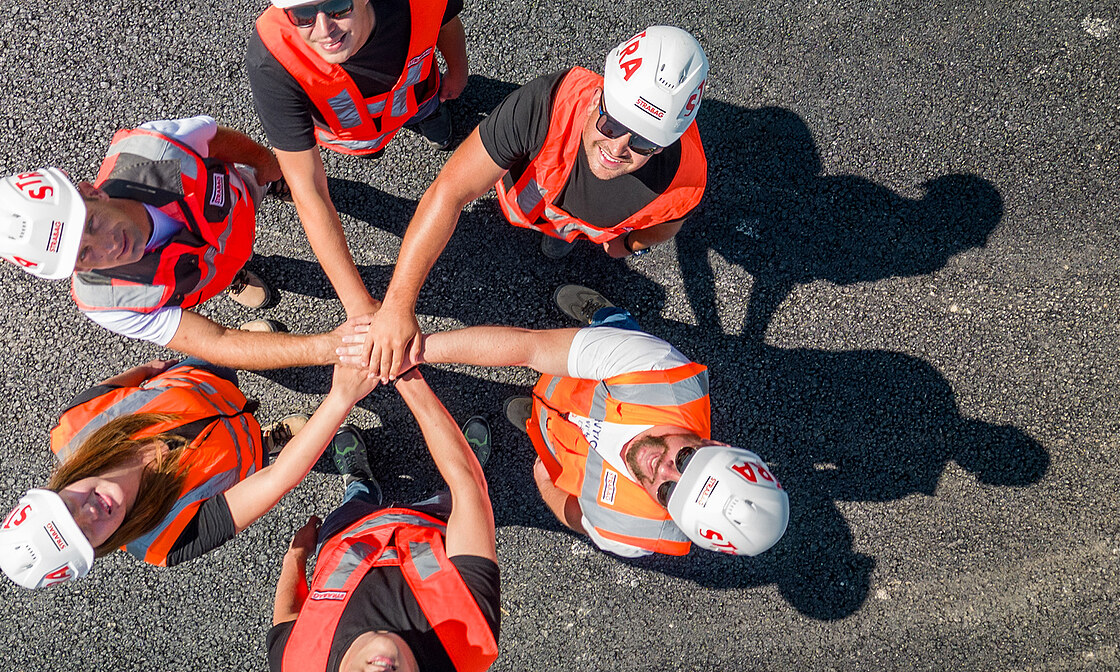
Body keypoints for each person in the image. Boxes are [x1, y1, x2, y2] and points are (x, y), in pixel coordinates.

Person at [338, 285, 788, 558]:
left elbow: (577, 517)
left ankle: (538, 419)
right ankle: (606, 316)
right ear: (719, 445)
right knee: (616, 335)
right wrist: (405, 351)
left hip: (559, 430)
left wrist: (545, 479)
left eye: (669, 492)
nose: (661, 468)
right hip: (598, 363)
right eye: (687, 459)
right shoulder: (658, 374)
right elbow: (530, 349)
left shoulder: (634, 533)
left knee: (539, 417)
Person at [363, 26, 710, 380]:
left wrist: (633, 245)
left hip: (567, 224)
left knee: (562, 232)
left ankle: (559, 235)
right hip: (527, 206)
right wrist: (396, 305)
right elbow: (451, 190)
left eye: (643, 142)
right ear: (596, 98)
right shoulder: (545, 104)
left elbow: (671, 219)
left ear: (666, 144)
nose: (618, 149)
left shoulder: (687, 177)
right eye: (612, 123)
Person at [0, 117, 348, 369]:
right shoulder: (106, 303)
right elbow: (215, 342)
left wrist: (266, 165)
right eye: (84, 254)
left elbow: (216, 139)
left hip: (244, 197)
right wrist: (331, 347)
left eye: (92, 223)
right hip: (209, 267)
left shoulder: (153, 147)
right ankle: (232, 277)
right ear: (75, 270)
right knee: (204, 278)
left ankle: (270, 189)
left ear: (92, 192)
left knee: (273, 182)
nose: (109, 246)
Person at [0, 356, 377, 588]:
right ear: (99, 549)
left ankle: (253, 354)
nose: (90, 513)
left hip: (207, 378)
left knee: (232, 356)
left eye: (68, 508)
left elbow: (137, 377)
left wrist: (165, 367)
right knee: (260, 452)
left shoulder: (72, 427)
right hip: (239, 449)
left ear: (56, 488)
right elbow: (276, 480)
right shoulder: (164, 543)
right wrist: (341, 396)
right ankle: (267, 440)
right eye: (86, 534)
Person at [246, 0, 469, 318]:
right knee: (386, 140)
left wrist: (458, 74)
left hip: (418, 95)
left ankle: (432, 122)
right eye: (303, 15)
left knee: (430, 110)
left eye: (338, 6)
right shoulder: (271, 56)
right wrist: (359, 307)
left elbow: (445, 21)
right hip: (358, 136)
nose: (324, 30)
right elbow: (308, 189)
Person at [267, 370, 499, 671]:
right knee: (464, 491)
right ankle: (463, 454)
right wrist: (402, 372)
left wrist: (295, 556)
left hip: (348, 533)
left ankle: (360, 482)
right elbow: (471, 490)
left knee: (355, 499)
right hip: (433, 521)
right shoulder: (468, 641)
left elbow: (286, 619)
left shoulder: (296, 664)